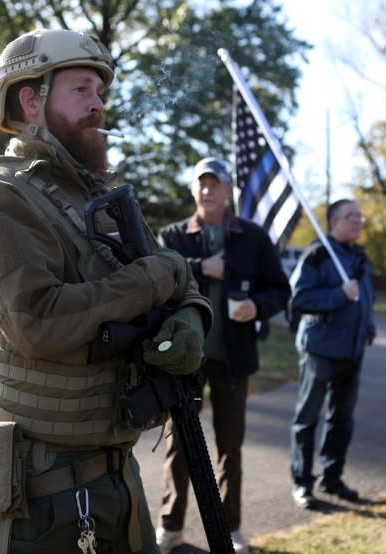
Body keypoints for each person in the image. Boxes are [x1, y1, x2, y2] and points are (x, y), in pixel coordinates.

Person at [0, 29, 212, 554]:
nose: (99, 105)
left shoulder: (101, 195)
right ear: (31, 99)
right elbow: (39, 323)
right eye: (83, 89)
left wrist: (192, 317)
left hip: (118, 475)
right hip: (42, 498)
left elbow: (179, 280)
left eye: (101, 94)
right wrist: (158, 278)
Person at [153, 158, 291, 554]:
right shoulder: (174, 236)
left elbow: (278, 289)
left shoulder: (252, 237)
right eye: (202, 184)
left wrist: (258, 307)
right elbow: (159, 279)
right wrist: (202, 266)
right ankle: (171, 526)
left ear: (229, 191)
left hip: (233, 357)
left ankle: (230, 529)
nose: (209, 190)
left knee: (230, 445)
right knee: (179, 442)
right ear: (193, 190)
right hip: (184, 359)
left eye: (216, 184)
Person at [288, 199, 375, 510]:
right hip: (320, 350)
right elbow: (300, 298)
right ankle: (302, 483)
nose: (358, 221)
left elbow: (366, 298)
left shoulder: (359, 256)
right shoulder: (318, 254)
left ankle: (332, 477)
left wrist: (369, 330)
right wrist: (340, 294)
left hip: (352, 352)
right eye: (351, 216)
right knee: (307, 419)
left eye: (359, 215)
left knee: (342, 420)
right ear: (334, 221)